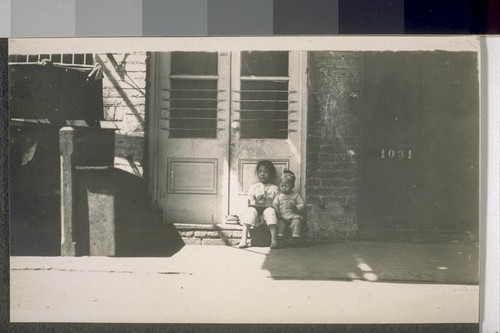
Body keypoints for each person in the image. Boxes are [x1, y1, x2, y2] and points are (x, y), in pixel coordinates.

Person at [238, 160, 280, 249]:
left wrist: (269, 202)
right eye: (260, 172)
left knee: (270, 211)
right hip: (256, 217)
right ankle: (243, 239)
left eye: (266, 172)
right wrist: (257, 201)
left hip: (268, 217)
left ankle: (274, 240)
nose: (262, 174)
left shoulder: (275, 189)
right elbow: (250, 202)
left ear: (271, 174)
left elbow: (276, 203)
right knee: (250, 211)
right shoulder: (254, 187)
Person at [272, 169, 305, 247]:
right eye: (282, 186)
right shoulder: (279, 195)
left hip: (293, 216)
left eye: (287, 186)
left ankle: (295, 238)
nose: (284, 188)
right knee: (280, 224)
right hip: (282, 216)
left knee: (297, 222)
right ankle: (280, 239)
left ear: (292, 186)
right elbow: (274, 204)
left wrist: (296, 207)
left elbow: (302, 204)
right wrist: (277, 212)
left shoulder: (295, 195)